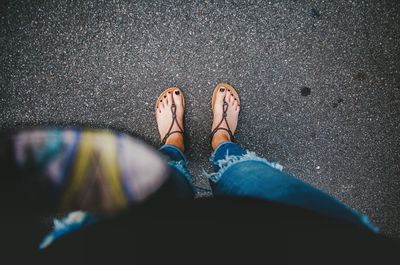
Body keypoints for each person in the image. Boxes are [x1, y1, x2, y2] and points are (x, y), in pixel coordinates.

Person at [0, 83, 398, 264]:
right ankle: (221, 143)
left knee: (154, 187)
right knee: (251, 180)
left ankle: (174, 147)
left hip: (108, 247)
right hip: (313, 243)